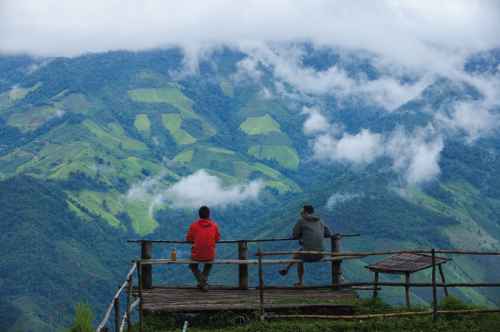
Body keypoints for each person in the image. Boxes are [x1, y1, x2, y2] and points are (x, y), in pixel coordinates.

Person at [279, 205, 332, 287]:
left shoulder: (301, 221)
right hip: (321, 253)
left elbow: (295, 235)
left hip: (309, 254)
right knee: (299, 252)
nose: (301, 214)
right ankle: (286, 269)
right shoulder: (320, 221)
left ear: (306, 212)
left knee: (298, 257)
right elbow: (328, 234)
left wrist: (302, 237)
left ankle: (300, 281)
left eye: (302, 212)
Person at [186, 206, 220, 291]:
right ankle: (203, 282)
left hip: (197, 254)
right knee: (209, 263)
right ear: (209, 215)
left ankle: (202, 282)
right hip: (210, 254)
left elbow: (189, 239)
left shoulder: (193, 225)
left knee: (192, 265)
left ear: (199, 215)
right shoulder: (214, 225)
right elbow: (217, 238)